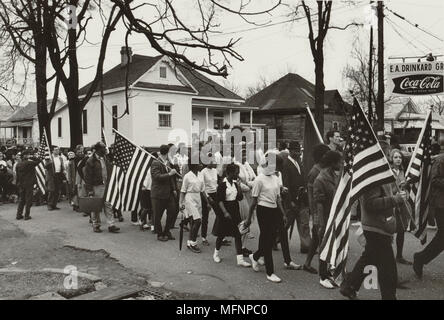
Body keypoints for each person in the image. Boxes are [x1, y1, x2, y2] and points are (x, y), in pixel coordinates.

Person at [340, 141, 407, 300]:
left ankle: (350, 285)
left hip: (379, 225)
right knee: (388, 269)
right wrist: (394, 199)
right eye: (387, 153)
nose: (389, 157)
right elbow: (370, 204)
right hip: (376, 227)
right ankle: (389, 297)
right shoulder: (372, 176)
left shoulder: (380, 173)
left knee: (369, 258)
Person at [246, 154, 286, 283]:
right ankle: (270, 272)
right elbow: (253, 202)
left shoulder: (275, 178)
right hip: (263, 210)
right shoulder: (259, 180)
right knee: (268, 241)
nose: (278, 168)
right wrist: (248, 219)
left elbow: (278, 198)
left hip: (274, 210)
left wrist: (283, 213)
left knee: (271, 238)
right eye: (276, 165)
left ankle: (255, 256)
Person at [413, 141, 444, 278]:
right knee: (442, 237)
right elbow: (434, 180)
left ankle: (421, 258)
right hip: (441, 205)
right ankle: (420, 258)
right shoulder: (440, 160)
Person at [313, 151, 342, 289]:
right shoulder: (321, 179)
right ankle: (322, 276)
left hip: (334, 216)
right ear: (333, 163)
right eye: (339, 162)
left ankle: (329, 272)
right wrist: (321, 224)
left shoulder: (334, 175)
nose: (341, 164)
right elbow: (319, 203)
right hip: (325, 217)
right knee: (323, 246)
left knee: (332, 245)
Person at [213, 163, 251, 267]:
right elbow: (219, 200)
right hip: (225, 210)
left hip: (234, 210)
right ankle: (216, 253)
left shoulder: (235, 184)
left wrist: (238, 186)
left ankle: (240, 259)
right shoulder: (222, 184)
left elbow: (239, 198)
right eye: (236, 173)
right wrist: (225, 212)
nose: (237, 175)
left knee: (238, 234)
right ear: (229, 173)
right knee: (221, 234)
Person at [303, 143, 331, 274]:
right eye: (325, 154)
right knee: (321, 238)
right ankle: (324, 269)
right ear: (320, 156)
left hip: (325, 208)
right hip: (317, 209)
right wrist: (314, 213)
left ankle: (307, 263)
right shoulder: (314, 171)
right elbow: (310, 195)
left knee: (315, 238)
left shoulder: (325, 169)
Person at [84, 142, 120, 233]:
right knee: (96, 206)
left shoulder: (104, 158)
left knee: (108, 204)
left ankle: (111, 225)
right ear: (98, 149)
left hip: (106, 185)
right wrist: (90, 190)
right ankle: (96, 225)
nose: (105, 149)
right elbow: (87, 177)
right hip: (96, 186)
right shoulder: (91, 161)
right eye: (104, 148)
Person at [282, 141, 311, 253]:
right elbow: (286, 185)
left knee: (304, 223)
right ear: (290, 151)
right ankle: (275, 240)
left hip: (302, 199)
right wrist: (290, 202)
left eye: (299, 150)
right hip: (292, 200)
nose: (299, 152)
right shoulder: (286, 164)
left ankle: (306, 245)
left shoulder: (300, 163)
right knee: (286, 224)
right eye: (296, 150)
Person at [179, 160, 209, 253]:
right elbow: (183, 191)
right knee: (197, 220)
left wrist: (207, 202)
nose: (201, 164)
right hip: (189, 198)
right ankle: (193, 242)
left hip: (198, 198)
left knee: (193, 221)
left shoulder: (200, 174)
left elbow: (203, 190)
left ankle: (189, 242)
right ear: (194, 165)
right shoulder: (187, 176)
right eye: (199, 163)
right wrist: (180, 203)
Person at [151, 144, 178, 242]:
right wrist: (169, 173)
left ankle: (167, 231)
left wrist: (174, 189)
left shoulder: (168, 163)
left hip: (169, 192)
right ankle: (159, 234)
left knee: (172, 211)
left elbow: (171, 179)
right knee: (157, 215)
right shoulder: (155, 162)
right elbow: (156, 177)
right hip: (158, 193)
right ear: (167, 152)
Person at [389, 149, 411, 265]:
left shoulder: (403, 171)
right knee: (389, 231)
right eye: (396, 157)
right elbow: (386, 190)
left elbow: (406, 189)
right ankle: (386, 256)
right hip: (391, 205)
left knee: (401, 230)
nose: (398, 159)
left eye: (400, 157)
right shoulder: (388, 172)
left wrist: (406, 190)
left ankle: (399, 255)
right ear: (391, 159)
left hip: (401, 206)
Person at [15, 150, 40, 220]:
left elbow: (17, 176)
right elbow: (39, 161)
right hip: (29, 184)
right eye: (28, 154)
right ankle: (26, 215)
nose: (29, 155)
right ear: (25, 156)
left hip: (21, 184)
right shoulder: (29, 163)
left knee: (21, 200)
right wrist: (34, 157)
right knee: (28, 199)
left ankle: (18, 215)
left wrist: (18, 183)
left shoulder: (18, 164)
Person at [200, 157, 218, 246]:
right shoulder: (203, 172)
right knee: (205, 217)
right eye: (211, 161)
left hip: (215, 194)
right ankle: (204, 237)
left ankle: (220, 235)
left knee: (220, 214)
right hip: (206, 196)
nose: (213, 162)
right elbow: (202, 187)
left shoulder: (215, 171)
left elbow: (215, 184)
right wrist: (208, 199)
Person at [45, 146, 65, 210]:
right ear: (52, 151)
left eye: (58, 150)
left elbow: (62, 166)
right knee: (51, 190)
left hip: (58, 175)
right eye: (55, 150)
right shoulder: (49, 158)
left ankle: (54, 204)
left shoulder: (60, 158)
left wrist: (63, 171)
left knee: (57, 191)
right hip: (51, 175)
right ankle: (49, 204)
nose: (57, 151)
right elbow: (46, 166)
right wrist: (50, 163)